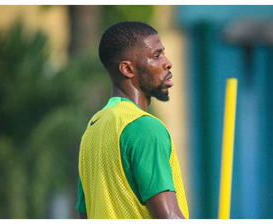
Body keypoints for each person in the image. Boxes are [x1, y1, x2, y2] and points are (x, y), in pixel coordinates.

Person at [76, 21, 189, 220]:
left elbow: (83, 215)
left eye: (163, 53)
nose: (168, 62)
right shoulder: (145, 127)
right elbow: (170, 217)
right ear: (127, 69)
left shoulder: (92, 130)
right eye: (156, 56)